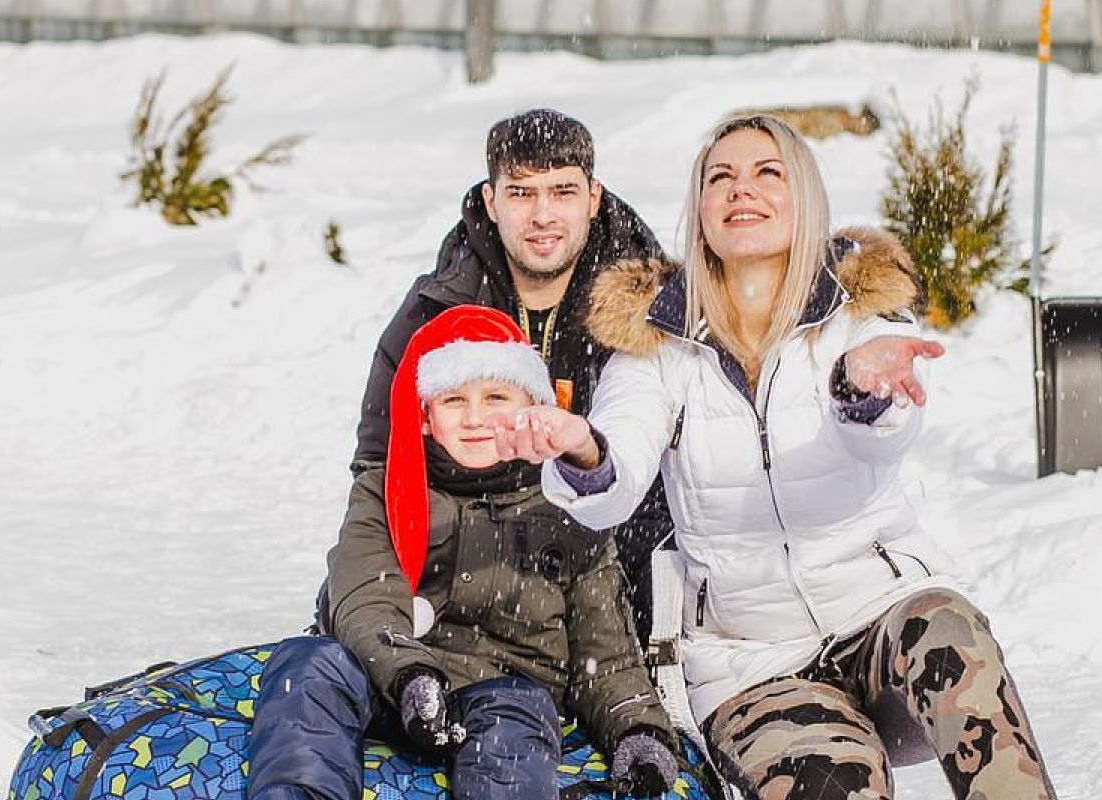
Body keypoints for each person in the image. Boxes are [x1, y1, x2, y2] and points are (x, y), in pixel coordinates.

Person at [488, 114, 1058, 800]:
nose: (741, 189)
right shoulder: (660, 345)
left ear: (804, 198)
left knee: (953, 637)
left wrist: (859, 385)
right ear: (700, 212)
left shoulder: (855, 312)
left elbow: (886, 428)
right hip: (753, 659)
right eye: (720, 177)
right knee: (829, 784)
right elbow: (620, 465)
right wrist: (581, 447)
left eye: (767, 172)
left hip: (883, 615)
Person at [247, 306, 681, 800]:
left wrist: (638, 730)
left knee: (517, 724)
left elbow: (605, 653)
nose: (475, 418)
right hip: (391, 676)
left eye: (496, 397)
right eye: (454, 400)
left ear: (531, 406)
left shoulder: (567, 508)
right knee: (309, 665)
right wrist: (408, 675)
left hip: (506, 689)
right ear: (426, 417)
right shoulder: (385, 491)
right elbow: (364, 599)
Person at [348, 107, 672, 640]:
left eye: (562, 192)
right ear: (490, 201)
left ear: (594, 198)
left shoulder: (646, 310)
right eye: (522, 193)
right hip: (475, 563)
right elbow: (379, 463)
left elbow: (667, 471)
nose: (542, 215)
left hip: (612, 560)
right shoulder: (437, 311)